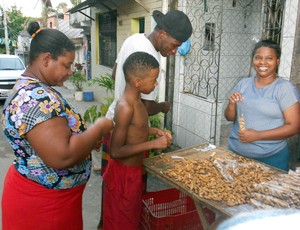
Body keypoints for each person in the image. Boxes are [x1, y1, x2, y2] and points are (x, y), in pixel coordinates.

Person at [1, 22, 113, 230]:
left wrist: (86, 140)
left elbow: (59, 136)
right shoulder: (36, 98)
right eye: (66, 64)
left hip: (53, 200)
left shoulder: (38, 89)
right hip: (43, 205)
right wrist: (99, 127)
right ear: (46, 59)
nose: (71, 71)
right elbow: (61, 155)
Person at [98, 9, 193, 229]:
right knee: (122, 210)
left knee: (117, 207)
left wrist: (150, 131)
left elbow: (115, 73)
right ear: (162, 34)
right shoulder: (146, 59)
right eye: (175, 44)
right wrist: (162, 107)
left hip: (123, 134)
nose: (174, 50)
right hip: (124, 157)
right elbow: (148, 108)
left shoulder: (133, 39)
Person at [103, 51, 172, 230]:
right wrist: (152, 144)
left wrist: (152, 131)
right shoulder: (125, 106)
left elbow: (134, 130)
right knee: (121, 222)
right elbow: (116, 151)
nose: (156, 83)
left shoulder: (138, 101)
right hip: (123, 176)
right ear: (137, 82)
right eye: (153, 79)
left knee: (132, 219)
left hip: (134, 173)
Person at [225, 39, 300, 171]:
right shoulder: (244, 83)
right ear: (253, 60)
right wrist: (231, 104)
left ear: (277, 61)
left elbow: (294, 127)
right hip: (235, 153)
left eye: (269, 58)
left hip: (270, 159)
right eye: (258, 58)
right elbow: (230, 117)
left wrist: (258, 135)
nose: (262, 62)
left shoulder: (284, 89)